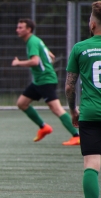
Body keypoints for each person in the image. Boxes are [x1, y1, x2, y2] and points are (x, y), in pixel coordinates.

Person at [12, 18, 80, 146]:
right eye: (18, 27)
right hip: (39, 81)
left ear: (29, 29)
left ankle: (77, 135)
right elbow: (51, 56)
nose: (17, 30)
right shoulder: (35, 40)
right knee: (22, 103)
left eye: (21, 27)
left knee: (57, 109)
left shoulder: (32, 41)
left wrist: (18, 63)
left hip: (45, 80)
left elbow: (35, 61)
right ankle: (44, 127)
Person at [65, 1, 101, 198]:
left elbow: (69, 87)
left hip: (90, 114)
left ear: (93, 23)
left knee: (91, 165)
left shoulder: (80, 48)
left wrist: (73, 111)